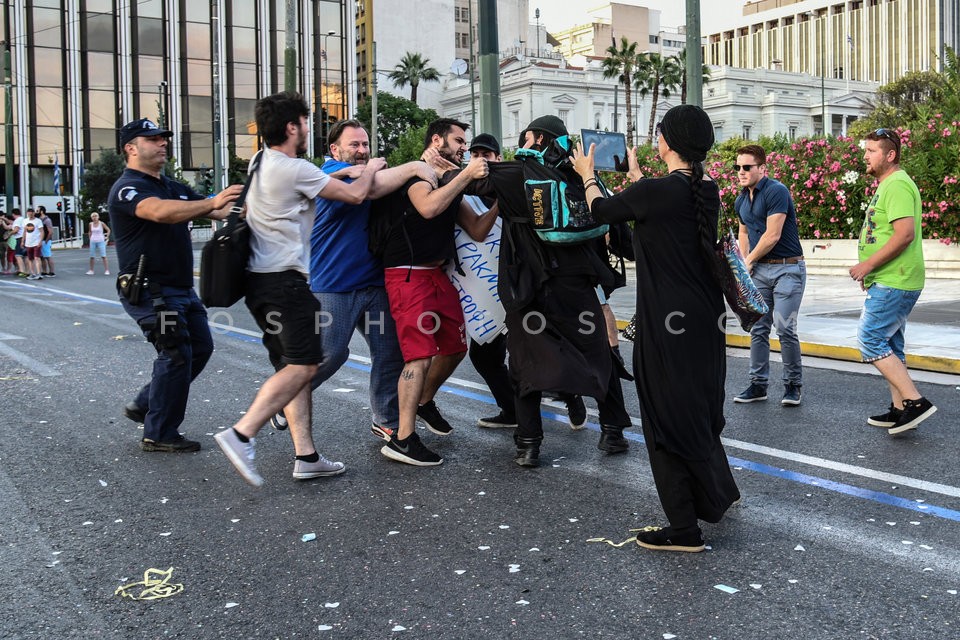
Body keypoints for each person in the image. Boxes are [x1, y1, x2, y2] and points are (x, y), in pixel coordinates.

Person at [573, 105, 740, 552]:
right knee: (697, 409)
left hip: (666, 320)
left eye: (660, 132)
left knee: (664, 417)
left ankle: (684, 528)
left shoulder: (655, 191)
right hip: (703, 316)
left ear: (668, 140)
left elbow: (604, 211)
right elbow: (651, 223)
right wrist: (637, 176)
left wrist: (588, 173)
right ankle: (718, 494)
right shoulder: (707, 189)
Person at [214, 92, 386, 487]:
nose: (308, 128)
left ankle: (306, 457)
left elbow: (322, 182)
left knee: (293, 365)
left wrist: (340, 173)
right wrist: (371, 167)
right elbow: (358, 195)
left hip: (257, 282)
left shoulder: (262, 161)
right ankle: (242, 432)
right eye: (306, 122)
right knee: (306, 365)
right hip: (285, 284)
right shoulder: (295, 168)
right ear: (292, 127)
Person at [463, 115, 632, 467]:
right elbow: (616, 228)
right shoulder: (584, 177)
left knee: (524, 360)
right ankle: (612, 431)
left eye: (526, 135)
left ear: (538, 138)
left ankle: (529, 443)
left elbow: (467, 183)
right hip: (578, 283)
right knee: (598, 353)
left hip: (528, 286)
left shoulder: (514, 173)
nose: (522, 141)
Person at [268, 118, 436, 442]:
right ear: (335, 149)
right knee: (331, 353)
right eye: (354, 144)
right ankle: (282, 400)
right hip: (333, 285)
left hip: (374, 285)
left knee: (390, 353)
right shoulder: (330, 174)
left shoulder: (363, 171)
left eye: (365, 144)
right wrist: (414, 164)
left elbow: (380, 184)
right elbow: (364, 190)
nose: (361, 151)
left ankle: (386, 419)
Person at [109, 117, 243, 452]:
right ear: (131, 148)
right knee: (176, 351)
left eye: (163, 138)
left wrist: (255, 197)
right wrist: (211, 203)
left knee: (199, 348)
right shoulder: (128, 188)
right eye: (153, 139)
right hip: (153, 293)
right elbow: (158, 212)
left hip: (181, 290)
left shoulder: (171, 185)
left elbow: (217, 209)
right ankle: (159, 433)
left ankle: (146, 403)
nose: (162, 142)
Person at [375, 118, 491, 467]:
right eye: (458, 141)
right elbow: (428, 208)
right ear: (437, 140)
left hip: (437, 275)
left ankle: (423, 402)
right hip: (407, 274)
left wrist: (504, 199)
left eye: (465, 143)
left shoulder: (449, 180)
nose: (463, 148)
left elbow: (478, 229)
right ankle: (403, 438)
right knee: (419, 354)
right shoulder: (418, 175)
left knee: (456, 346)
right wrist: (468, 176)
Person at [851, 128, 937, 435]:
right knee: (891, 344)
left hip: (896, 279)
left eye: (872, 151)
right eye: (866, 150)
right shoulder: (888, 184)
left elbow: (904, 235)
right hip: (888, 278)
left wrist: (868, 265)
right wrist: (872, 272)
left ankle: (914, 401)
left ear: (891, 155)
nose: (866, 156)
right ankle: (901, 409)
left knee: (870, 339)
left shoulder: (898, 184)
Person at [733, 144, 806, 406]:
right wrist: (744, 263)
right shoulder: (741, 199)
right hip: (760, 270)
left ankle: (792, 386)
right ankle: (758, 385)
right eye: (737, 167)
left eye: (747, 167)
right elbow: (743, 232)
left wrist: (748, 261)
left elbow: (772, 235)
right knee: (758, 327)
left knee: (785, 328)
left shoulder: (777, 191)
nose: (741, 172)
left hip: (788, 268)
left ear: (762, 168)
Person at [21, 208, 44, 280]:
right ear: (27, 213)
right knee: (30, 258)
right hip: (28, 243)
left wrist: (40, 241)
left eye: (31, 213)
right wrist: (22, 241)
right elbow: (24, 232)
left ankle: (39, 273)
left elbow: (42, 231)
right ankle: (33, 273)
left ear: (34, 213)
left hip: (36, 242)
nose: (30, 214)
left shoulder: (38, 221)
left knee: (37, 257)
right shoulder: (25, 221)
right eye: (29, 213)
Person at [37, 206, 56, 277]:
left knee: (48, 256)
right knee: (42, 257)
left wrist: (46, 241)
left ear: (41, 211)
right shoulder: (39, 220)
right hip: (40, 240)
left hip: (45, 240)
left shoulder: (47, 220)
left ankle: (52, 272)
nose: (36, 212)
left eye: (38, 210)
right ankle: (44, 271)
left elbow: (50, 231)